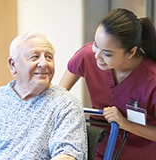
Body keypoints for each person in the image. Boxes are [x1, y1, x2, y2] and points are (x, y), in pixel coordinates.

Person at [59, 8, 156, 160]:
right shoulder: (87, 56)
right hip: (100, 151)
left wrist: (126, 124)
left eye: (107, 53)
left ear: (131, 52)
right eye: (96, 44)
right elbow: (59, 96)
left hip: (141, 155)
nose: (97, 56)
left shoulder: (152, 79)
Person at [0, 30, 87, 160]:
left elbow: (67, 156)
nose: (44, 63)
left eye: (49, 57)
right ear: (13, 65)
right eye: (34, 57)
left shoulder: (65, 104)